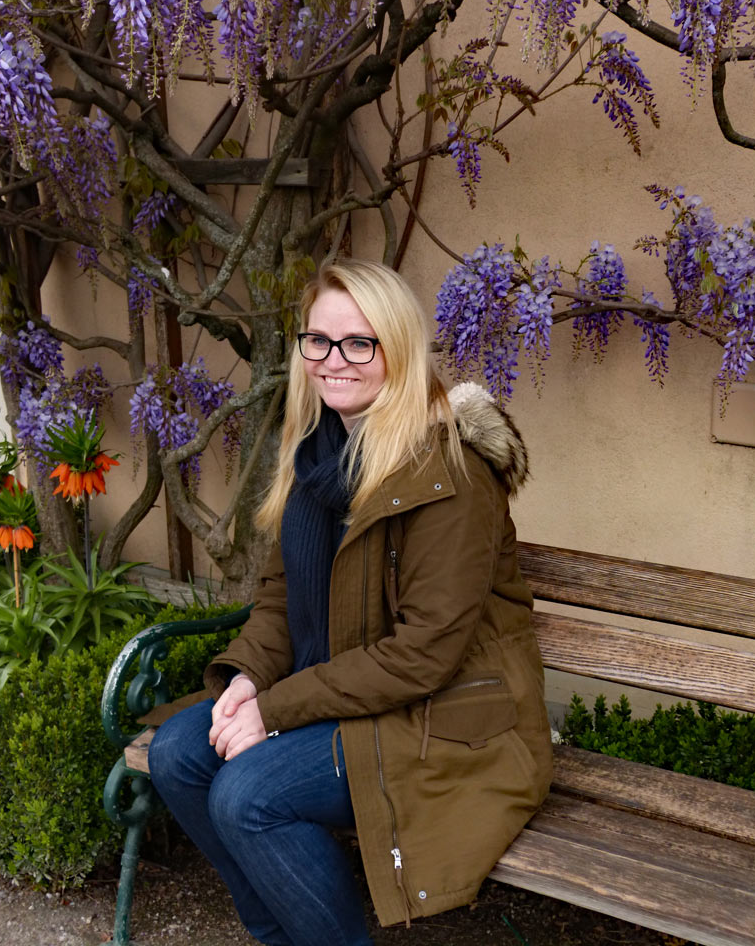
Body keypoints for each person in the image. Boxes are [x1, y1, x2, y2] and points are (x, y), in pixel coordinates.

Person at [148, 259, 553, 946]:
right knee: (179, 754)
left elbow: (421, 656)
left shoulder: (448, 471)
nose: (333, 362)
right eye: (318, 341)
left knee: (248, 796)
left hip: (442, 719)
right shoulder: (315, 454)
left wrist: (272, 714)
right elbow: (281, 600)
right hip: (341, 697)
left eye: (358, 343)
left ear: (395, 349)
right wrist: (247, 679)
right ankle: (280, 935)